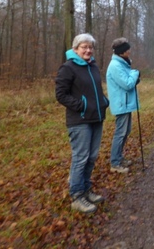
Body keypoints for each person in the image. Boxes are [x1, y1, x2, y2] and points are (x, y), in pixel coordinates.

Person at [55, 33, 109, 214]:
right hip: (79, 120)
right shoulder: (68, 68)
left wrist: (103, 101)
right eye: (84, 47)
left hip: (96, 117)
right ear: (75, 48)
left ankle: (86, 190)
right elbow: (61, 95)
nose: (88, 50)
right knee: (81, 157)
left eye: (90, 47)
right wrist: (82, 106)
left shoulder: (92, 65)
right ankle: (77, 196)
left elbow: (95, 90)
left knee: (92, 157)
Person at [107, 38, 140, 174]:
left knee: (125, 132)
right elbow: (127, 84)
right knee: (120, 133)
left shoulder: (122, 64)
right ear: (122, 52)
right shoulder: (115, 65)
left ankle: (119, 158)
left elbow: (129, 82)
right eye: (127, 49)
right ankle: (115, 162)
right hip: (121, 103)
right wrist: (135, 73)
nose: (130, 51)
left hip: (125, 103)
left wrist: (134, 76)